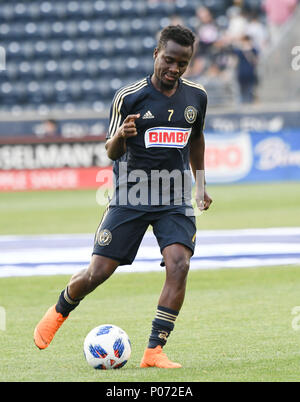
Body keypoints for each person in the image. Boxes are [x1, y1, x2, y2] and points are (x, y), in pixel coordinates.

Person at [33, 25, 212, 368]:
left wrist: (200, 185)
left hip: (174, 197)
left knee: (180, 263)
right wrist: (122, 135)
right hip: (130, 195)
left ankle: (154, 351)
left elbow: (197, 138)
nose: (175, 69)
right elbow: (110, 151)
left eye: (183, 64)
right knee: (98, 272)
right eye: (170, 60)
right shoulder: (129, 97)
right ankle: (59, 310)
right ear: (156, 55)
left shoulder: (196, 97)